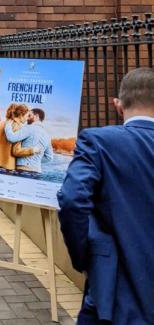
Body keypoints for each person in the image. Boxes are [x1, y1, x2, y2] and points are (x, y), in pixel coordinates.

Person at [58, 68, 154, 324]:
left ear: (117, 105)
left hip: (114, 294)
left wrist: (83, 256)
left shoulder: (98, 142)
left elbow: (72, 200)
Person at [4, 108, 53, 179]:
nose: (27, 118)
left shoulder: (29, 128)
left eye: (29, 115)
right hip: (37, 172)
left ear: (36, 116)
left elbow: (11, 138)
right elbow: (49, 157)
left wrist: (8, 124)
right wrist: (36, 160)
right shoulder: (47, 135)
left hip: (23, 170)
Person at [0, 104, 37, 174]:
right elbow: (16, 151)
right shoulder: (18, 127)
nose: (27, 118)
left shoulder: (2, 123)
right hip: (8, 166)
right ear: (21, 115)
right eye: (27, 116)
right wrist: (32, 150)